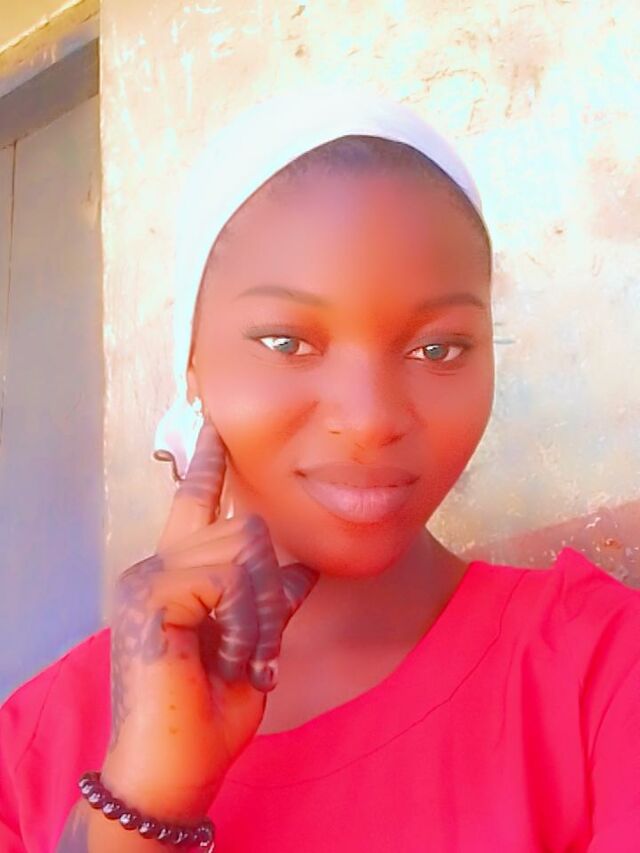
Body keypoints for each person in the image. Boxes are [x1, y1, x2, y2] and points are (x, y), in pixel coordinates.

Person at [1, 85, 638, 853]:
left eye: (438, 347)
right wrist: (141, 802)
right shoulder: (29, 753)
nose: (369, 419)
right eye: (286, 342)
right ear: (191, 365)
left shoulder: (602, 673)